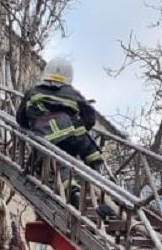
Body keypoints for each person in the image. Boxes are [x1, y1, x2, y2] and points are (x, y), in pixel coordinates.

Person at [16, 57, 114, 218]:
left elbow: (20, 119)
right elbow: (90, 118)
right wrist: (78, 125)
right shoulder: (72, 93)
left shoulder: (33, 93)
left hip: (48, 138)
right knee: (91, 153)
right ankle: (99, 181)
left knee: (61, 165)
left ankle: (74, 193)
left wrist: (32, 127)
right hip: (74, 134)